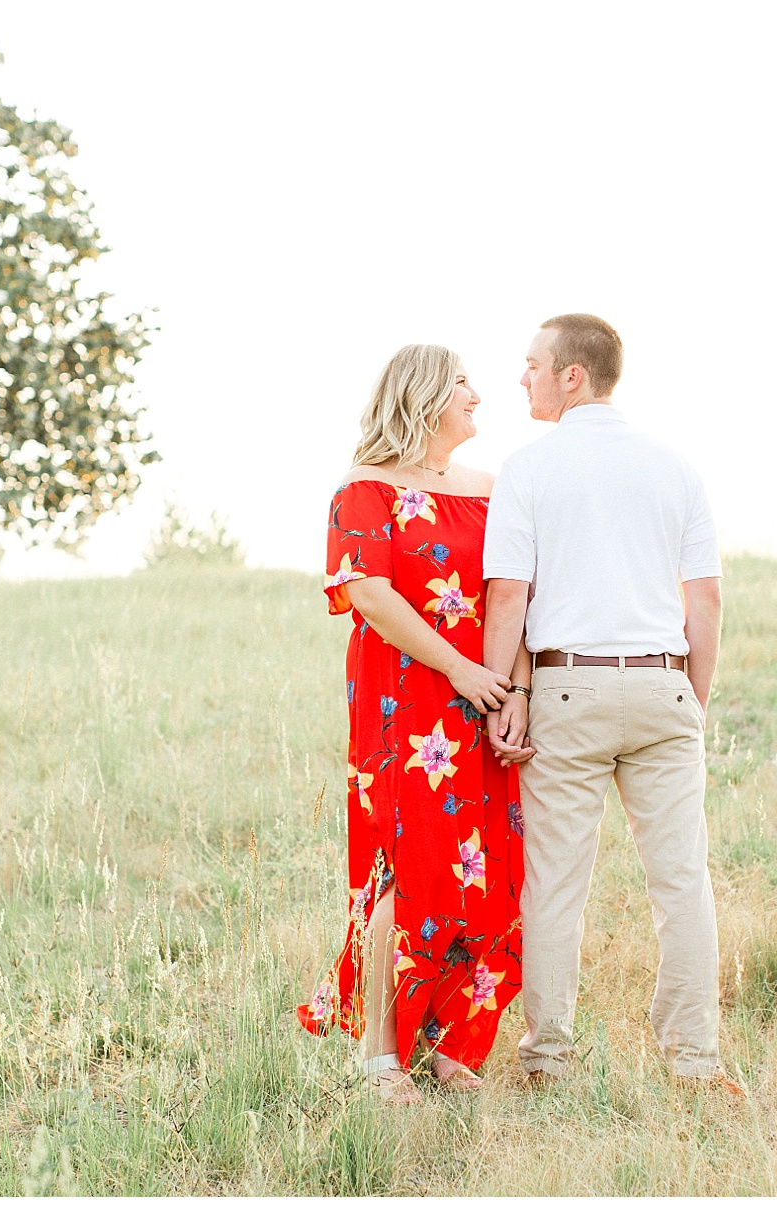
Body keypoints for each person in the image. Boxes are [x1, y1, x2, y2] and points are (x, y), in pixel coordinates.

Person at [479, 313, 743, 1094]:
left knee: (556, 881)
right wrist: (690, 699)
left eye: (531, 365)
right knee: (681, 881)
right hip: (663, 685)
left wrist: (505, 694)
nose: (520, 378)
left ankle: (548, 1059)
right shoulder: (675, 467)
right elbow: (708, 599)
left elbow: (507, 596)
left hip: (566, 689)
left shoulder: (528, 468)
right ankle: (694, 1060)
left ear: (573, 375)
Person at [297, 344, 526, 1104]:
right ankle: (380, 1054)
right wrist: (457, 669)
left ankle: (453, 1042)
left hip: (486, 696)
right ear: (425, 394)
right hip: (405, 703)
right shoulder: (364, 489)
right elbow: (368, 592)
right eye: (464, 382)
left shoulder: (493, 491)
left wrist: (510, 687)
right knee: (409, 864)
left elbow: (517, 594)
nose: (478, 396)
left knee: (485, 869)